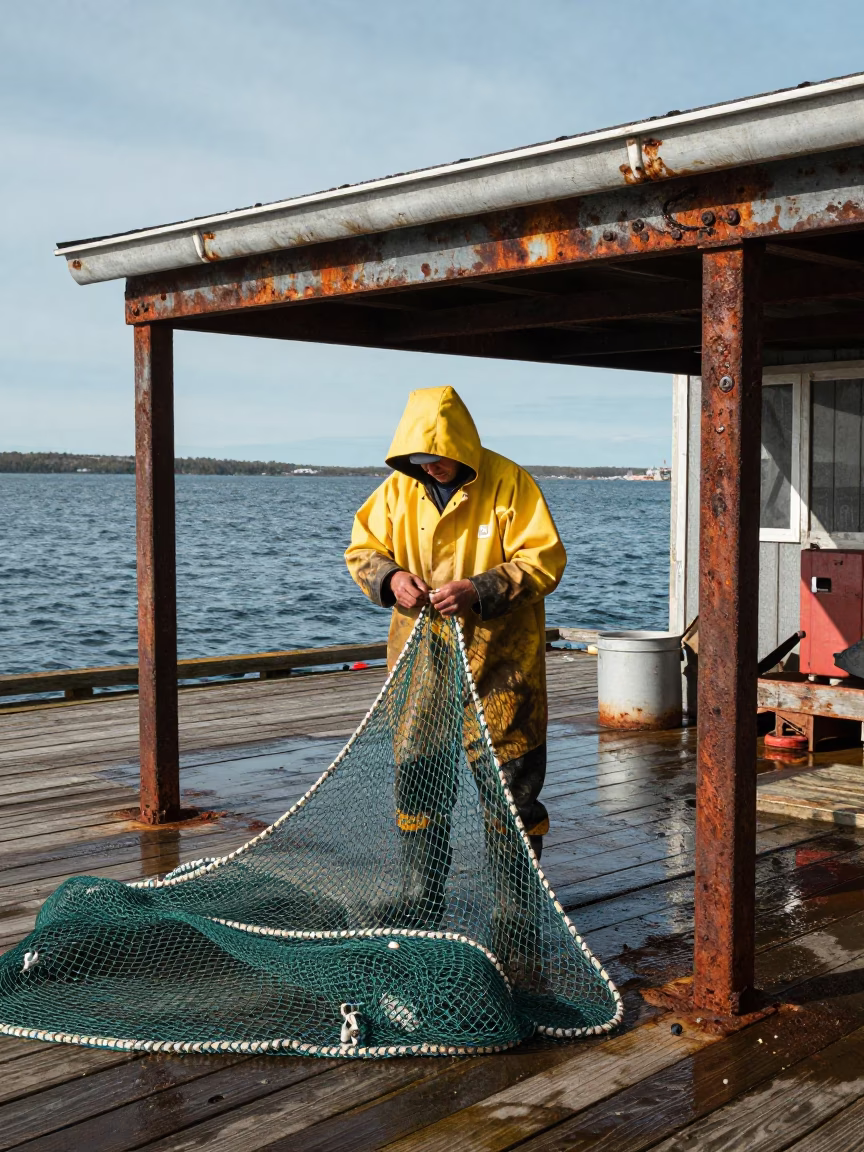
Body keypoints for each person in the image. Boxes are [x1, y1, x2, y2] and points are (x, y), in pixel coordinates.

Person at [345, 386, 567, 870]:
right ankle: (420, 893)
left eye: (435, 458)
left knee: (511, 791)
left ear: (459, 446)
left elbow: (544, 561)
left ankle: (516, 911)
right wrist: (391, 579)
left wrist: (478, 589)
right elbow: (362, 550)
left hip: (503, 665)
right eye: (418, 459)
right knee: (419, 781)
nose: (428, 467)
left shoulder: (510, 483)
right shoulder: (396, 492)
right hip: (421, 666)